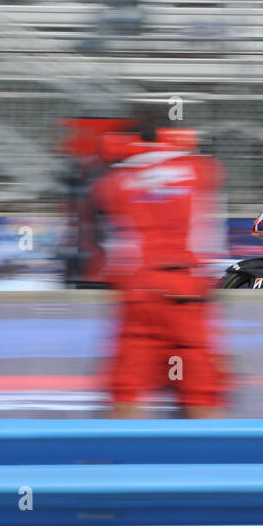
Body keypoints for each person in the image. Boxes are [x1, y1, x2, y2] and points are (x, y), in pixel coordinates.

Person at [93, 109, 228, 418]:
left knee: (126, 393)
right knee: (202, 394)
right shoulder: (203, 170)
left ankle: (117, 461)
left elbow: (111, 251)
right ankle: (209, 460)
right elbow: (211, 244)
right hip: (188, 294)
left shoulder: (113, 181)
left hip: (140, 294)